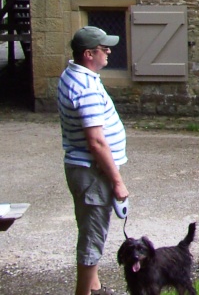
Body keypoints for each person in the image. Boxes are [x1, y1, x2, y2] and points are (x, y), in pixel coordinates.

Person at [58, 26, 130, 295]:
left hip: (81, 168)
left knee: (90, 226)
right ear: (89, 54)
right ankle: (83, 293)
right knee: (92, 237)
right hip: (92, 172)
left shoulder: (72, 75)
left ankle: (95, 286)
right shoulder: (85, 87)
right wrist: (117, 181)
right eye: (104, 48)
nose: (109, 51)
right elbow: (97, 142)